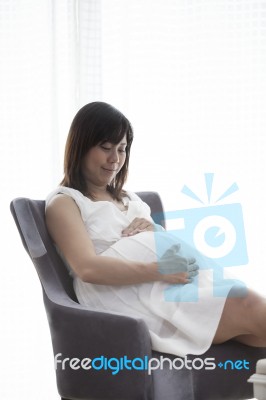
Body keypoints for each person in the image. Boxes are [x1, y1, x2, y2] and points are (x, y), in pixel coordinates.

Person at [46, 101, 266, 357]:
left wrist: (154, 231)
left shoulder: (129, 199)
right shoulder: (65, 202)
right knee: (248, 304)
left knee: (256, 328)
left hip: (167, 286)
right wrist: (158, 269)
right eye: (105, 147)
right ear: (81, 145)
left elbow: (161, 246)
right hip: (125, 296)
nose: (114, 159)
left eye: (122, 149)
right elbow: (87, 268)